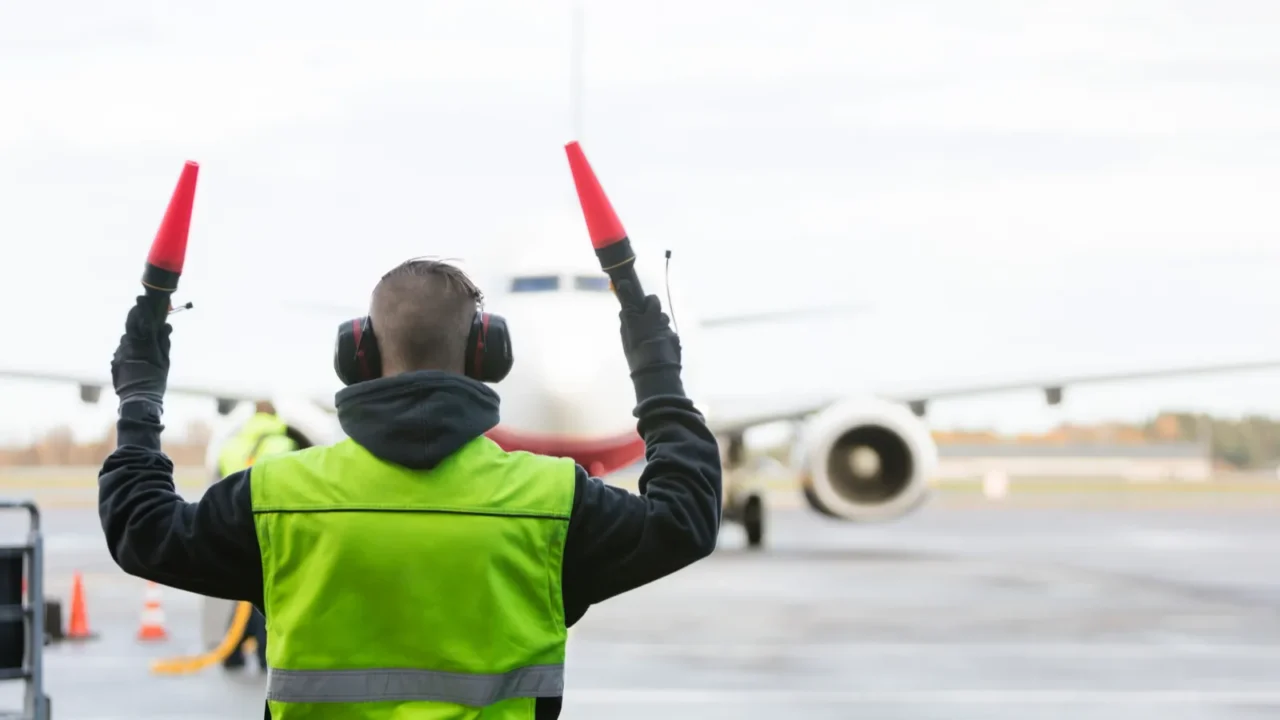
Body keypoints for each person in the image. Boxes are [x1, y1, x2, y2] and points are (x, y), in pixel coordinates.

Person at [100, 258, 722, 719]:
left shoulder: (278, 496)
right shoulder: (552, 502)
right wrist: (658, 375)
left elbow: (141, 529)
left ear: (359, 353)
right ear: (487, 354)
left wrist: (140, 397)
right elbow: (686, 517)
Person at [213, 400, 299, 671]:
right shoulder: (283, 445)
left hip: (238, 527)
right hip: (271, 529)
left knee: (246, 594)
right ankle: (263, 655)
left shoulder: (233, 444)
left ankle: (233, 653)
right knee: (266, 596)